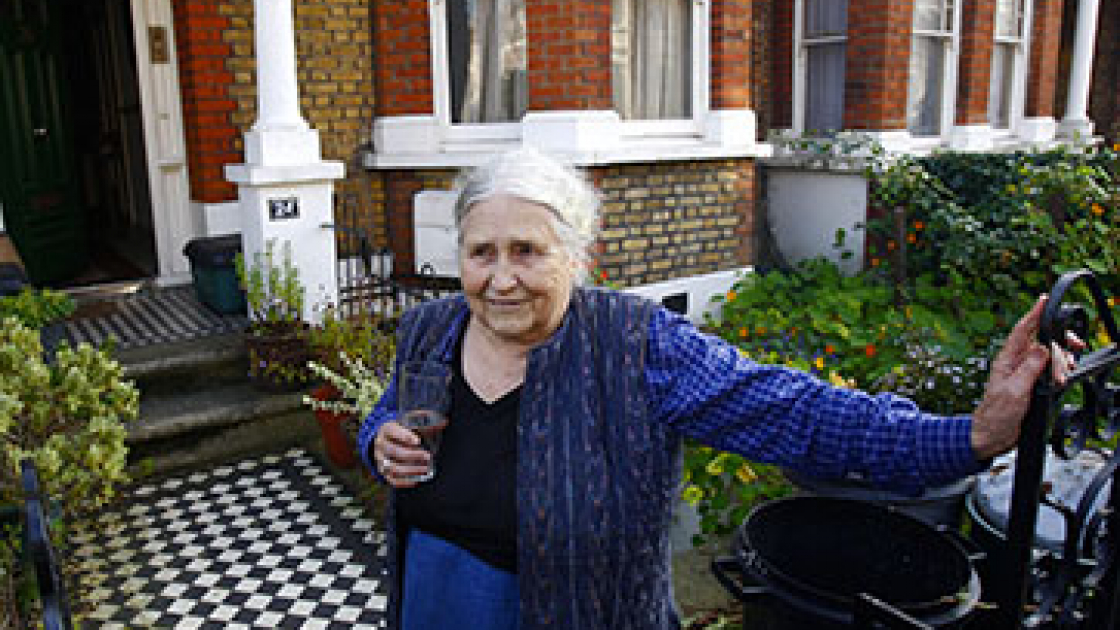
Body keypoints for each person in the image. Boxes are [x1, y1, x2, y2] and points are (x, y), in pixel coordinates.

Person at [357, 147, 1072, 630]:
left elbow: (794, 414)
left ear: (576, 259)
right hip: (433, 602)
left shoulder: (636, 346)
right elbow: (394, 412)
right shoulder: (430, 329)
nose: (500, 278)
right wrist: (375, 439)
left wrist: (968, 436)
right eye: (481, 252)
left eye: (527, 251)